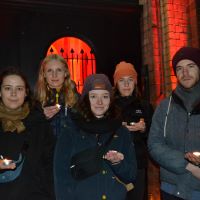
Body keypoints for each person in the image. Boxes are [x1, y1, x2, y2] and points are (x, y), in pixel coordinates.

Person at [54, 74, 137, 200]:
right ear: (86, 99)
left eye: (104, 96)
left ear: (111, 99)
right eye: (93, 96)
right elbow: (61, 177)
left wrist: (118, 163)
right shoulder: (71, 131)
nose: (99, 102)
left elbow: (131, 175)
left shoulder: (122, 132)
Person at [148, 47, 200, 200]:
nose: (185, 73)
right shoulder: (165, 106)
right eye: (179, 68)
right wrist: (187, 164)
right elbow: (154, 144)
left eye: (190, 66)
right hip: (171, 189)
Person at [0, 68, 55, 199]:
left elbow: (49, 166)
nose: (13, 93)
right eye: (8, 88)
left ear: (26, 93)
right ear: (0, 92)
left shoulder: (39, 123)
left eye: (19, 88)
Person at [113, 61, 153, 200]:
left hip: (138, 163)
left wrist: (144, 128)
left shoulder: (145, 105)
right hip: (115, 164)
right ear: (116, 84)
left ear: (135, 83)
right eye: (121, 80)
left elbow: (155, 136)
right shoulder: (109, 106)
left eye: (130, 80)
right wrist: (117, 128)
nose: (126, 84)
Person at [35, 54, 79, 138]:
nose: (54, 75)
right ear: (44, 74)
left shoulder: (77, 98)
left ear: (65, 73)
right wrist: (41, 116)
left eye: (59, 70)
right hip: (47, 149)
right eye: (49, 70)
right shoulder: (36, 100)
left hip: (72, 149)